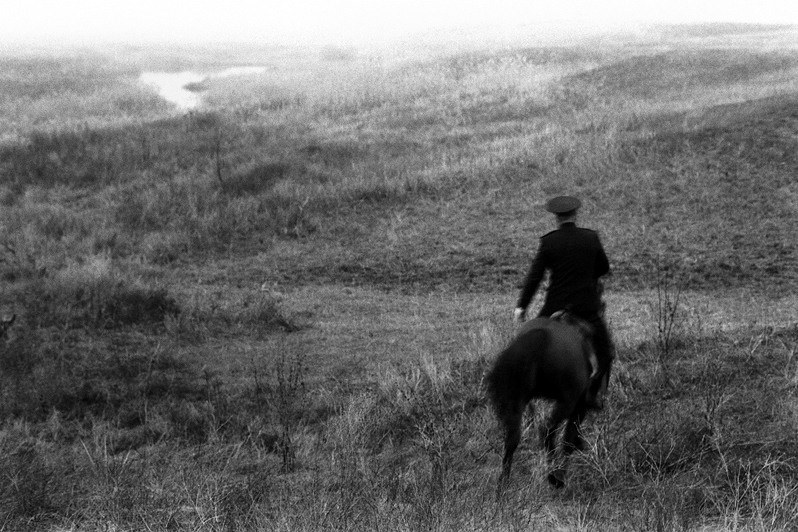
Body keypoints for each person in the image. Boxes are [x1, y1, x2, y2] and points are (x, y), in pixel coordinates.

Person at [513, 195, 613, 409]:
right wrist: (588, 274)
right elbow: (604, 267)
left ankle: (520, 393)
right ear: (575, 214)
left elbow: (535, 277)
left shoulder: (548, 242)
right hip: (586, 307)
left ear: (556, 218)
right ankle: (593, 395)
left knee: (530, 343)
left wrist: (522, 306)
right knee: (605, 352)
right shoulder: (590, 238)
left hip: (553, 307)